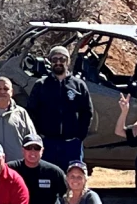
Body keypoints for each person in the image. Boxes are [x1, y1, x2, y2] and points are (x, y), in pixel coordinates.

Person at [26, 45, 94, 173]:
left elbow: (87, 112)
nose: (58, 62)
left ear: (67, 61)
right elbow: (31, 112)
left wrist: (79, 136)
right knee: (47, 179)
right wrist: (38, 136)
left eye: (62, 59)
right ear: (50, 62)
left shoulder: (78, 85)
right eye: (54, 59)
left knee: (73, 180)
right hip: (47, 143)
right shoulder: (41, 85)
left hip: (71, 144)